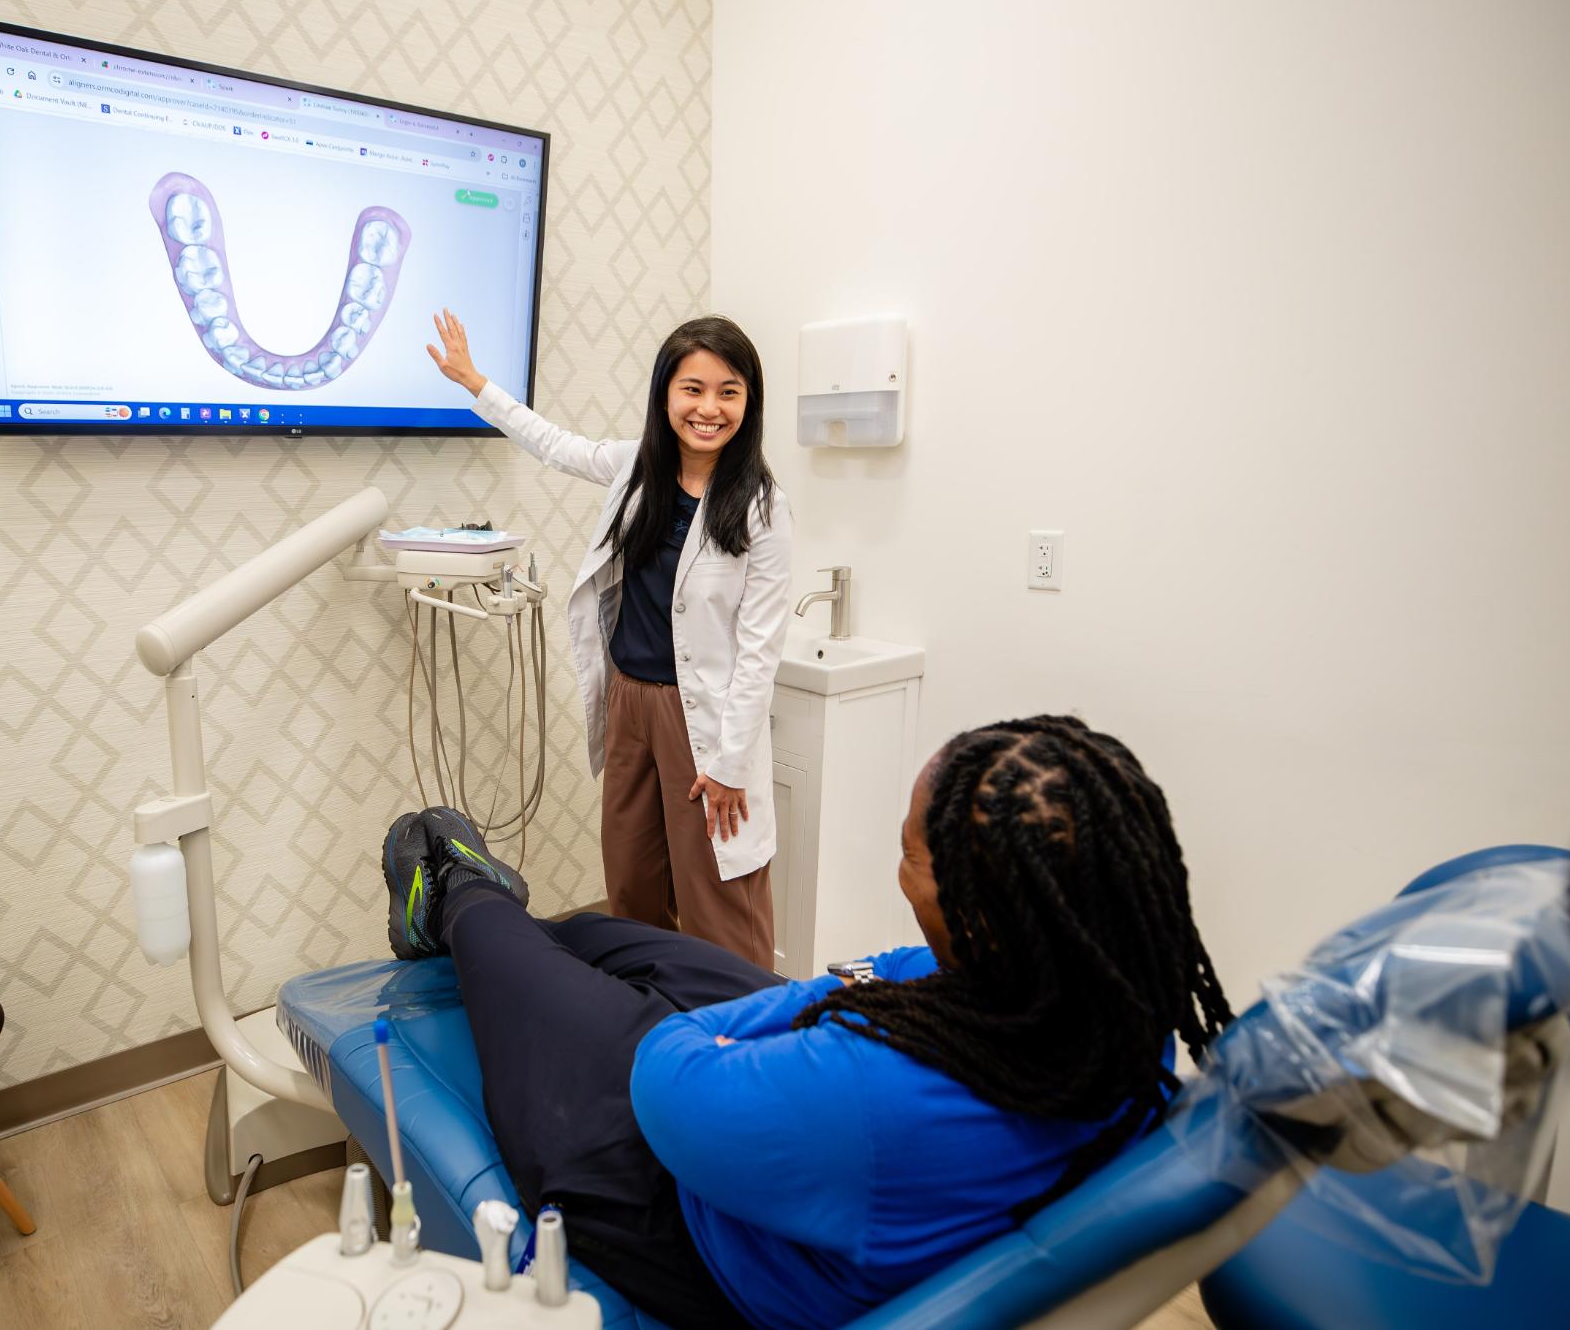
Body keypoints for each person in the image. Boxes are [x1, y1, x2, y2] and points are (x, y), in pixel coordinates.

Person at [381, 715, 1233, 1330]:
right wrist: (822, 997)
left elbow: (667, 1067)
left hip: (669, 1199)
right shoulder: (1116, 1017)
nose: (899, 867)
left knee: (506, 940)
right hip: (784, 1120)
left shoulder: (870, 1093)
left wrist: (765, 1019)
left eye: (911, 854)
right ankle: (534, 935)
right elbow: (896, 967)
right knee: (604, 937)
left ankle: (456, 890)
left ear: (980, 911)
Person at [427, 311, 792, 968]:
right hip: (630, 704)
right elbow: (553, 443)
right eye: (693, 388)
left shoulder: (763, 506)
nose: (708, 407)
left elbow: (761, 647)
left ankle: (745, 1031)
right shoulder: (635, 469)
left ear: (749, 402)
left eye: (728, 391)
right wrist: (477, 383)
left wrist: (732, 763)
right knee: (631, 877)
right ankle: (649, 1016)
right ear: (665, 395)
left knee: (717, 893)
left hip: (701, 719)